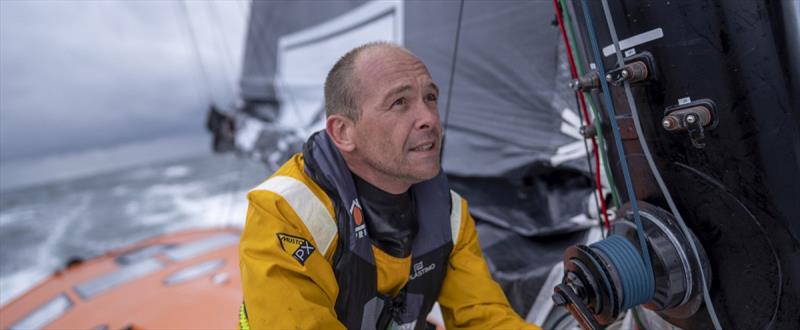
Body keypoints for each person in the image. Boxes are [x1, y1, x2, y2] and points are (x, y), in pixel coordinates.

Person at [239, 42, 540, 330]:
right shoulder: (285, 212)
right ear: (343, 132)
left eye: (431, 98)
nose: (428, 119)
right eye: (400, 102)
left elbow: (483, 319)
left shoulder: (450, 215)